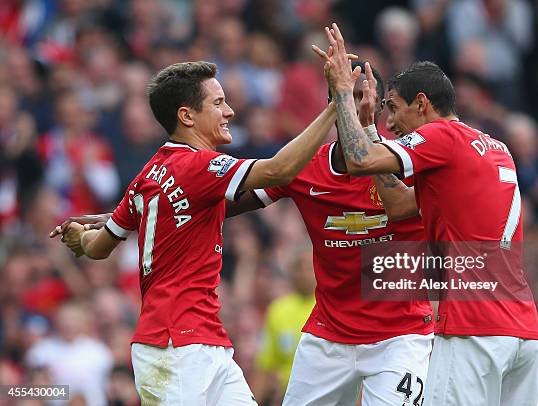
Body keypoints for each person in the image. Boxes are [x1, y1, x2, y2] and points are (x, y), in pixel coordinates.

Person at [52, 61, 434, 406]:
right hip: (200, 340)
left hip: (394, 336)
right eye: (218, 103)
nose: (230, 111)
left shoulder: (414, 164)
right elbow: (267, 177)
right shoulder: (241, 168)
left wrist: (103, 224)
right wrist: (340, 102)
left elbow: (154, 213)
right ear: (187, 115)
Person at [314, 23, 538, 406]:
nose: (389, 124)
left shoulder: (442, 137)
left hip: (474, 327)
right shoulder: (494, 146)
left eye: (392, 109)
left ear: (422, 104)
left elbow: (357, 160)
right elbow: (400, 206)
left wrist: (341, 94)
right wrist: (369, 128)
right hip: (522, 331)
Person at [250, 244, 316, 405]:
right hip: (287, 396)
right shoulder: (277, 310)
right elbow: (264, 367)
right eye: (298, 268)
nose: (303, 274)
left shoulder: (329, 307)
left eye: (308, 267)